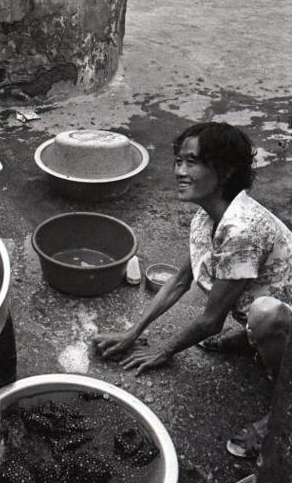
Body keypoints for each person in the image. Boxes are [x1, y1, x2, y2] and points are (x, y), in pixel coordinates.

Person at [93, 121, 292, 458]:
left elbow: (210, 321)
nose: (179, 171)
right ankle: (251, 337)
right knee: (258, 314)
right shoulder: (209, 214)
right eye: (178, 160)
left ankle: (283, 417)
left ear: (225, 171)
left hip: (280, 314)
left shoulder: (242, 229)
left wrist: (165, 350)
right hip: (267, 305)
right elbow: (180, 280)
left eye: (192, 162)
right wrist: (132, 332)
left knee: (264, 315)